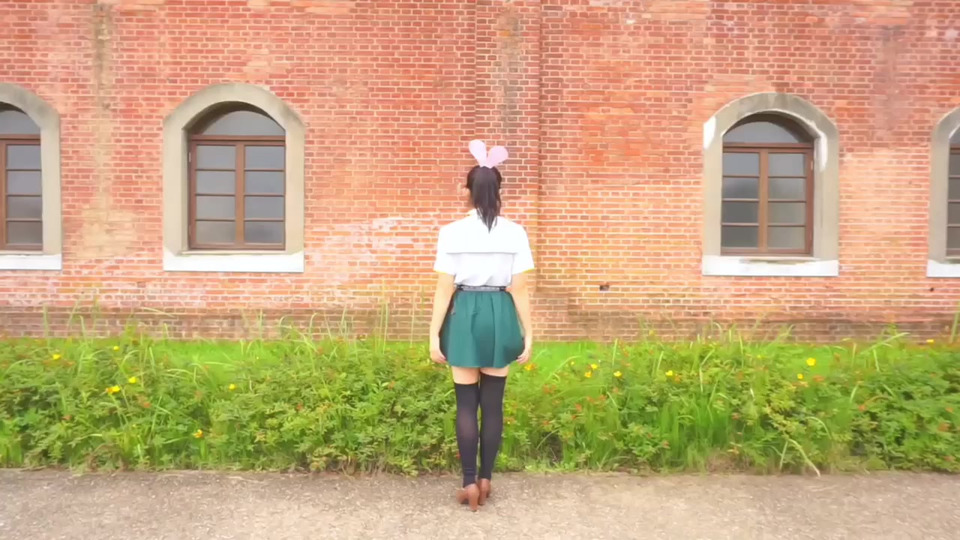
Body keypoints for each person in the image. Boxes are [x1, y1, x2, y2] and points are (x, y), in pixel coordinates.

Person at [428, 140, 534, 512]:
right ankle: (486, 480)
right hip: (500, 311)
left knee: (465, 404)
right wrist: (528, 332)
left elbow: (444, 288)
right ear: (499, 190)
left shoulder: (451, 232)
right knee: (493, 405)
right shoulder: (515, 232)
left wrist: (433, 335)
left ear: (468, 192)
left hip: (464, 312)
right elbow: (519, 287)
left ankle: (469, 482)